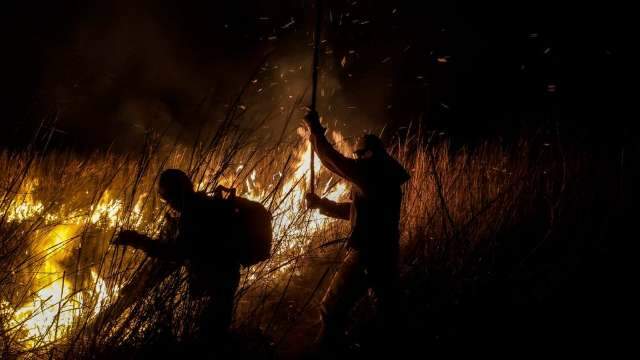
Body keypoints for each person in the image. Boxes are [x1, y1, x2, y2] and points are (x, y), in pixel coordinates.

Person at [303, 110, 410, 350]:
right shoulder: (384, 176)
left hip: (367, 257)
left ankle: (324, 354)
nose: (357, 160)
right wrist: (322, 204)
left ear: (369, 154)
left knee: (330, 309)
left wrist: (316, 130)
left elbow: (333, 161)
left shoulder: (373, 171)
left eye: (360, 155)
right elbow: (356, 211)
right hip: (387, 256)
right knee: (388, 316)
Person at [113, 169, 241, 353]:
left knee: (210, 340)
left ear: (173, 195)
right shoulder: (203, 203)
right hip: (224, 280)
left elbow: (176, 254)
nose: (167, 204)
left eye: (165, 198)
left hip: (217, 283)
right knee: (213, 334)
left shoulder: (193, 213)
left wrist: (137, 240)